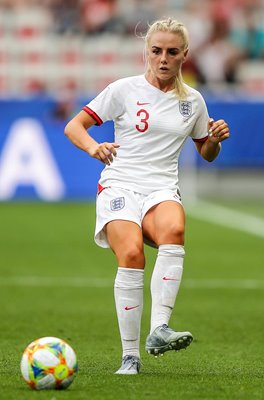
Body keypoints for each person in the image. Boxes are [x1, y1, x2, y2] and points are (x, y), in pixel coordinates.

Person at [64, 17, 230, 375]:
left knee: (175, 229)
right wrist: (94, 148)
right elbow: (73, 125)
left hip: (161, 187)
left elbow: (206, 153)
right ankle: (130, 356)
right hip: (120, 184)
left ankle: (159, 329)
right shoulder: (123, 90)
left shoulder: (193, 102)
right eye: (156, 51)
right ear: (146, 52)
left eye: (172, 51)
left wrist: (214, 139)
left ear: (185, 55)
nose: (163, 58)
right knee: (133, 254)